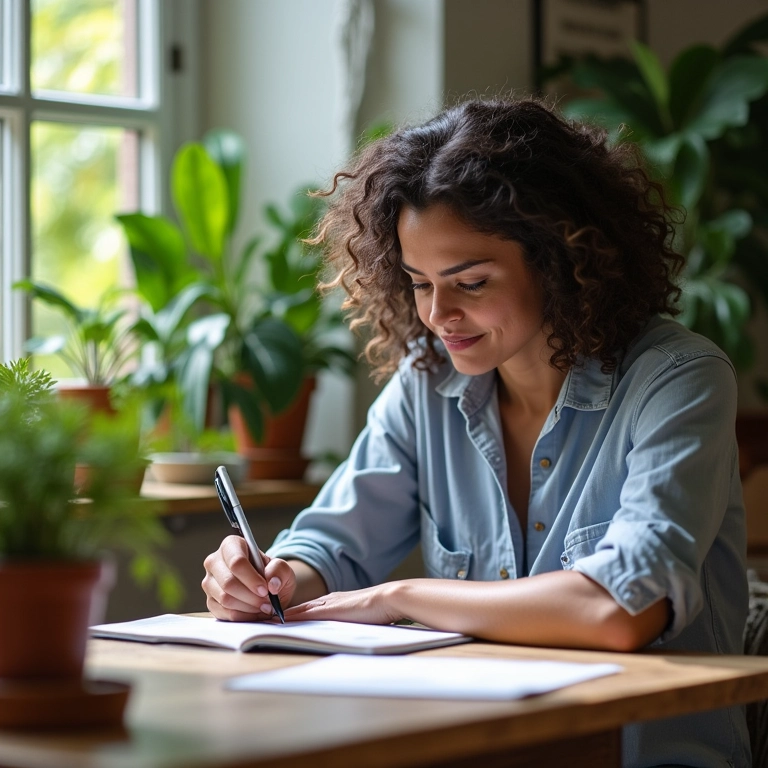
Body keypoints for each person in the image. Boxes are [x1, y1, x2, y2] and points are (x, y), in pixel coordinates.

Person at [202, 98, 750, 767]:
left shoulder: (678, 380)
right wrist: (273, 577)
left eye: (471, 282)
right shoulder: (426, 386)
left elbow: (620, 610)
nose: (438, 314)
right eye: (418, 282)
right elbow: (332, 547)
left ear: (559, 258)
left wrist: (398, 597)